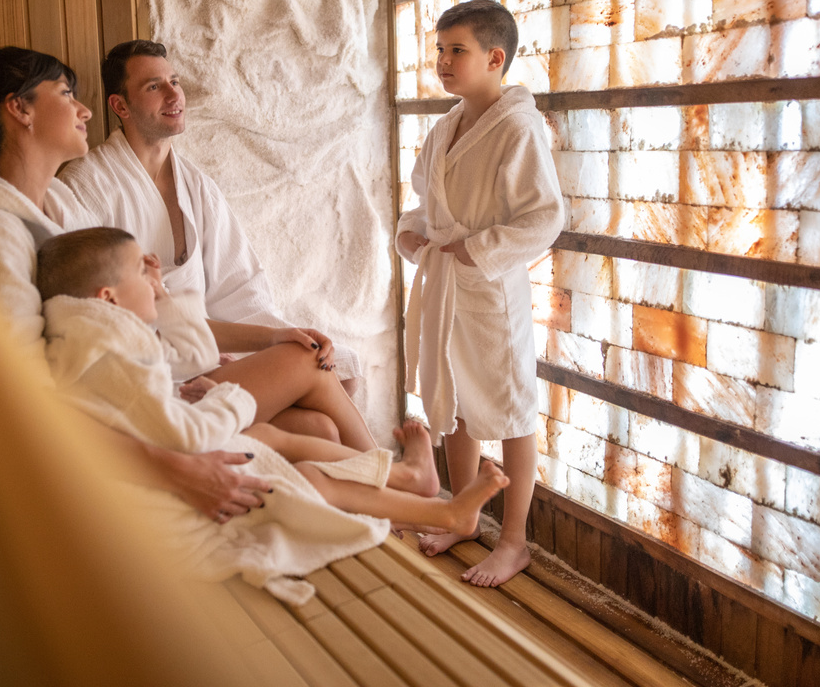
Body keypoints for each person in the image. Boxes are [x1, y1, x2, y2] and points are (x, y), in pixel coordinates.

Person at [0, 44, 359, 524]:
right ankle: (407, 496)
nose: (83, 109)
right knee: (306, 361)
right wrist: (175, 471)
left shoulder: (58, 205)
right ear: (19, 108)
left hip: (146, 384)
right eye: (67, 93)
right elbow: (19, 399)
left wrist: (263, 336)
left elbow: (140, 310)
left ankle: (381, 516)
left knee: (316, 427)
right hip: (114, 417)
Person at [35, 226, 504, 601]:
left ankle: (419, 492)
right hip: (168, 485)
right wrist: (228, 397)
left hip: (169, 434)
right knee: (303, 429)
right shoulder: (112, 354)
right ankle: (427, 499)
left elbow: (171, 362)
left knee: (313, 431)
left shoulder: (95, 343)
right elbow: (176, 421)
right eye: (143, 272)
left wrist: (163, 299)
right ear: (107, 298)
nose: (155, 279)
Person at [58, 40, 367, 403]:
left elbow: (237, 286)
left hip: (207, 346)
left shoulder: (196, 186)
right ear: (120, 105)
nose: (174, 95)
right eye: (154, 87)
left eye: (175, 81)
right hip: (148, 361)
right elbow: (93, 306)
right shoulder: (87, 185)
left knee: (341, 368)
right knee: (314, 389)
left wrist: (277, 336)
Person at [396, 0, 564, 588]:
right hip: (447, 284)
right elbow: (428, 204)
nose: (443, 61)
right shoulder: (447, 126)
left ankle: (514, 541)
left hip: (490, 289)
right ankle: (462, 514)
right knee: (456, 402)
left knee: (513, 410)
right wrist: (414, 234)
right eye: (439, 50)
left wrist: (477, 251)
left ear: (495, 58)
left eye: (456, 50)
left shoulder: (517, 127)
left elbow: (545, 217)